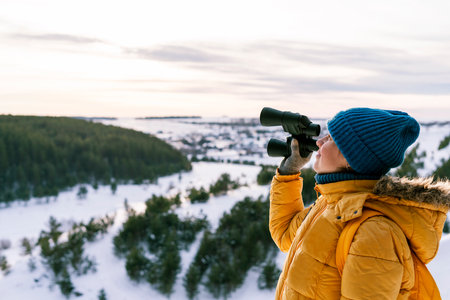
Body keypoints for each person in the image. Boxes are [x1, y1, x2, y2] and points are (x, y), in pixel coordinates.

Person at [269, 107, 449, 299]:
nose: (320, 142)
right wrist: (289, 173)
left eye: (331, 139)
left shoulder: (375, 232)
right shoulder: (333, 205)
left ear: (351, 157)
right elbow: (286, 233)